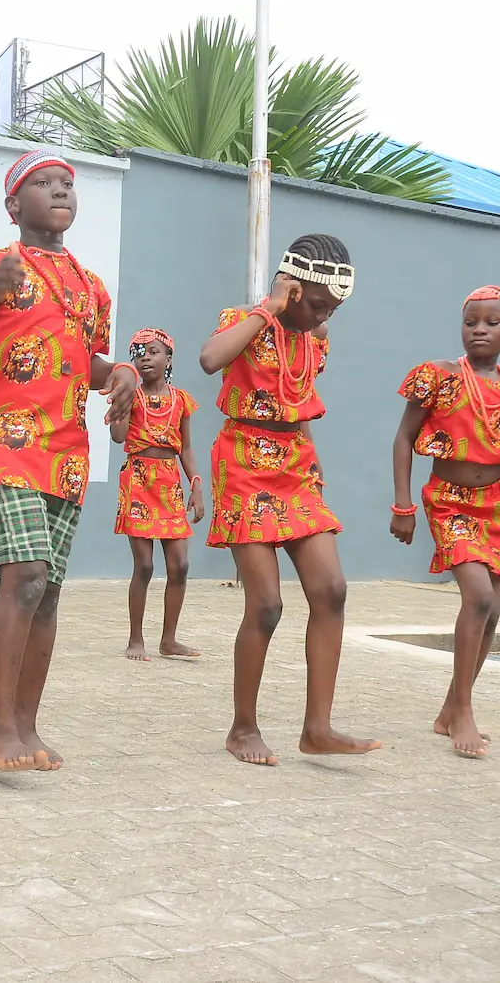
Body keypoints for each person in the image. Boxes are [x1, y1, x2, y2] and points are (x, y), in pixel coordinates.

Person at [0, 150, 138, 772]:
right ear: (13, 204)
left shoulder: (91, 285)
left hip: (66, 453)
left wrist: (121, 373)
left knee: (45, 592)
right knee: (24, 576)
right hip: (3, 443)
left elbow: (85, 361)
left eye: (67, 184)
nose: (60, 191)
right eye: (43, 183)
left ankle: (26, 727)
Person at [198, 234, 380, 766]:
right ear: (293, 290)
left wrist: (312, 451)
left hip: (294, 463)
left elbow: (295, 398)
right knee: (267, 605)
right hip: (242, 461)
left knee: (331, 590)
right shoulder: (245, 319)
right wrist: (269, 308)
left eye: (333, 309)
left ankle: (317, 729)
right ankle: (242, 729)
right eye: (318, 305)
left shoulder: (316, 338)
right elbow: (209, 359)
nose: (324, 317)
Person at [390, 285, 500, 757]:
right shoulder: (437, 376)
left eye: (492, 322)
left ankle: (450, 709)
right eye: (471, 322)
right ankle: (464, 713)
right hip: (449, 501)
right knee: (480, 597)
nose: (479, 330)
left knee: (491, 612)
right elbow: (404, 438)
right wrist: (403, 505)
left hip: (498, 504)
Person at [108, 328, 204, 661]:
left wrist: (196, 484)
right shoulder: (131, 396)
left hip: (170, 483)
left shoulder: (182, 400)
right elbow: (118, 437)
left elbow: (186, 448)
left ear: (168, 359)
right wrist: (120, 403)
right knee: (145, 565)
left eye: (153, 352)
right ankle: (135, 639)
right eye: (139, 353)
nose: (146, 358)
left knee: (180, 565)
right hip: (138, 480)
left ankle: (169, 640)